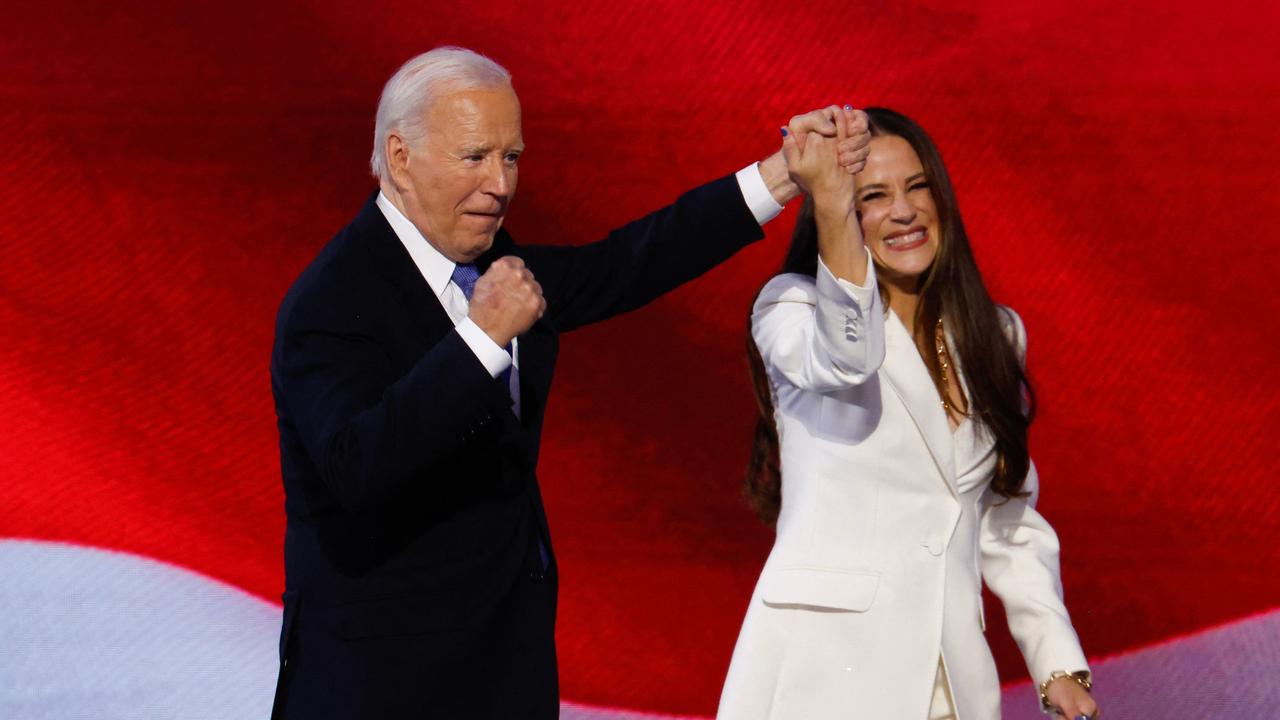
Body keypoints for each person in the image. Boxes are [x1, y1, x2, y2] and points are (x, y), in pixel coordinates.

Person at [268, 45, 868, 719]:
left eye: (512, 157)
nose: (501, 183)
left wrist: (782, 175)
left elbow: (629, 263)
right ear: (401, 157)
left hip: (504, 676)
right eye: (476, 157)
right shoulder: (331, 302)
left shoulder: (496, 262)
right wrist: (480, 339)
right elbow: (356, 467)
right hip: (380, 690)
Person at [717, 107, 1100, 720]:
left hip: (951, 680)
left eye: (918, 187)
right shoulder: (791, 308)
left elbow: (1005, 517)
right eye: (872, 196)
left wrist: (1056, 663)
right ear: (834, 210)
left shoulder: (994, 334)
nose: (904, 211)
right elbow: (846, 359)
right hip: (826, 676)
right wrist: (833, 203)